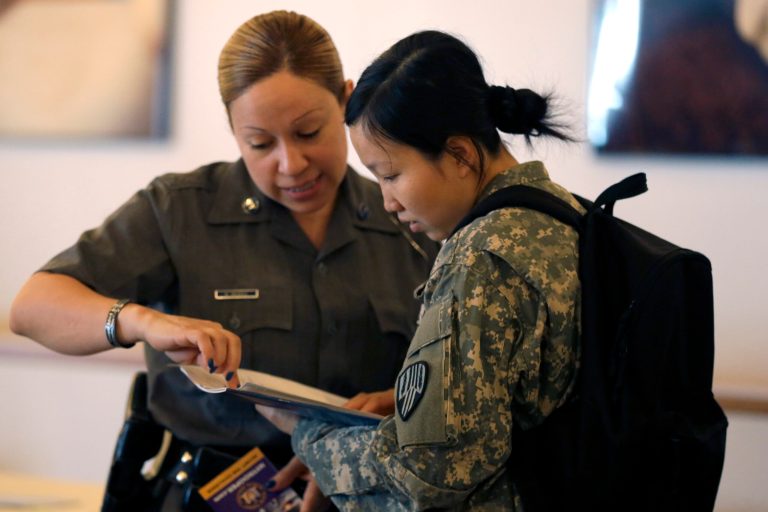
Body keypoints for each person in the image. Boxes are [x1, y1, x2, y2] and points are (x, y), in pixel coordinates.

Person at [9, 11, 438, 511]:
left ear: (345, 99)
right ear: (233, 129)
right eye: (260, 143)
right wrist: (143, 322)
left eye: (308, 133)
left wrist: (400, 405)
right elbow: (33, 307)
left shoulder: (408, 216)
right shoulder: (179, 210)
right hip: (209, 494)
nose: (290, 164)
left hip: (366, 493)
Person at [256, 30, 581, 510]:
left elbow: (428, 477)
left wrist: (308, 432)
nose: (387, 200)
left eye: (391, 175)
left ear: (460, 154)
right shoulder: (562, 213)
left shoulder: (481, 257)